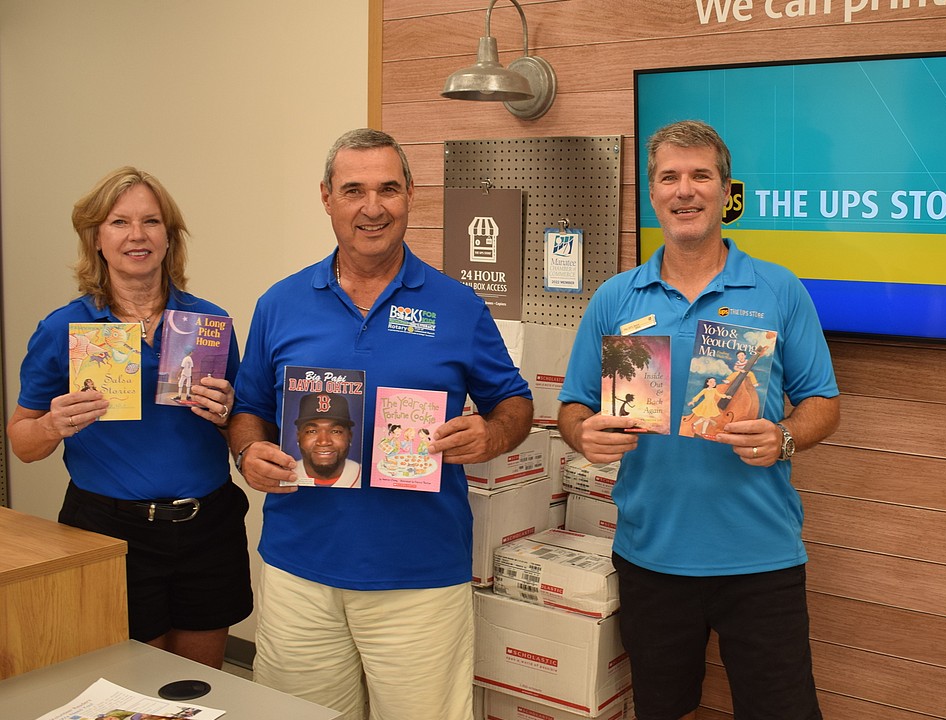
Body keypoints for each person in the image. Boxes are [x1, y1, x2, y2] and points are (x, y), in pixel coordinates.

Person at [228, 128, 534, 720]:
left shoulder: (458, 304)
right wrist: (248, 453)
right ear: (326, 197)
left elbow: (515, 404)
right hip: (300, 571)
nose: (373, 207)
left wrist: (490, 435)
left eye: (388, 189)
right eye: (354, 190)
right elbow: (249, 410)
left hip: (419, 577)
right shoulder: (280, 303)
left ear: (410, 196)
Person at [557, 120, 840, 720]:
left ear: (726, 190)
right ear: (653, 194)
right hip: (650, 558)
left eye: (700, 176)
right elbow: (572, 405)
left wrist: (784, 436)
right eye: (670, 177)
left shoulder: (779, 290)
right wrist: (583, 433)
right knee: (662, 711)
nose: (685, 190)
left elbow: (823, 403)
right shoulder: (615, 298)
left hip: (761, 558)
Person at [6, 167, 252, 668]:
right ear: (97, 239)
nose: (137, 235)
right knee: (129, 686)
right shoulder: (64, 329)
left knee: (200, 685)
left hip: (208, 527)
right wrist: (53, 423)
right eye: (120, 222)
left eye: (151, 222)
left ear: (169, 237)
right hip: (108, 533)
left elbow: (243, 426)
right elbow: (23, 443)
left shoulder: (209, 323)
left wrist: (228, 415)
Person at [291, 391, 361, 488]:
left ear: (350, 436)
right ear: (298, 437)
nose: (323, 442)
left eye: (336, 431)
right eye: (312, 431)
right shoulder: (282, 474)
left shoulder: (367, 476)